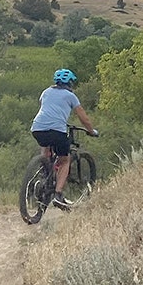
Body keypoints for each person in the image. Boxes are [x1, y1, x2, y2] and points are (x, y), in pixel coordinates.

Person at [29, 68, 99, 210]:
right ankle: (58, 195)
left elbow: (47, 108)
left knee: (46, 148)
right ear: (70, 83)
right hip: (57, 130)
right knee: (65, 160)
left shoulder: (46, 92)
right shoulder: (70, 96)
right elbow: (83, 117)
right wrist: (91, 131)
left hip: (37, 128)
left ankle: (45, 171)